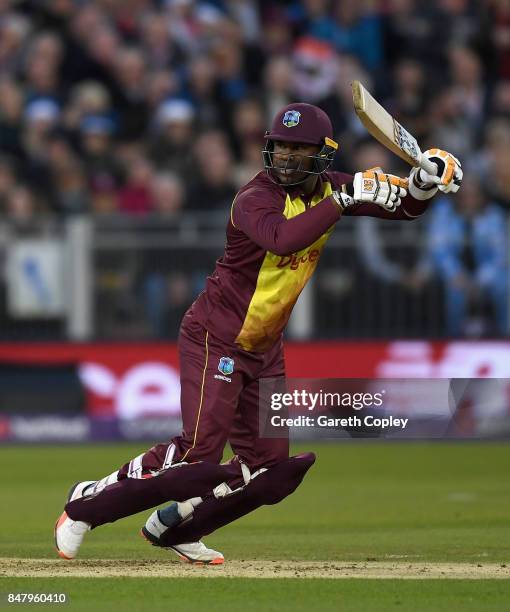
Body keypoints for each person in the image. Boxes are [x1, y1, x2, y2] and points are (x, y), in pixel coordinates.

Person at [54, 103, 462, 564]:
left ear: (322, 156)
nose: (287, 158)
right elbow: (284, 239)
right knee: (197, 454)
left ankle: (180, 528)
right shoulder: (255, 198)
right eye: (281, 147)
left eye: (299, 149)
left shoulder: (334, 188)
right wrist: (345, 201)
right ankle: (86, 503)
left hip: (265, 348)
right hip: (216, 336)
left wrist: (426, 182)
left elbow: (406, 206)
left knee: (270, 470)